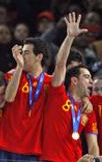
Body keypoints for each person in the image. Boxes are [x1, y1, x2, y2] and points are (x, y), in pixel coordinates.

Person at [41, 12, 99, 161]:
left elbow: (92, 144)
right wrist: (70, 37)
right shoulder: (57, 94)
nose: (91, 81)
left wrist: (94, 159)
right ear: (74, 80)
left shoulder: (88, 108)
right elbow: (60, 64)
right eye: (87, 77)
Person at [0, 35, 52, 160]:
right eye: (21, 52)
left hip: (31, 149)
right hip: (5, 145)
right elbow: (8, 98)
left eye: (26, 53)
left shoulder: (50, 83)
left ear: (39, 57)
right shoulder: (13, 75)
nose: (21, 56)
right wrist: (19, 67)